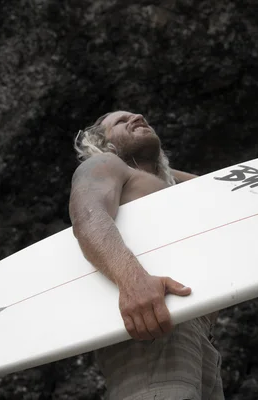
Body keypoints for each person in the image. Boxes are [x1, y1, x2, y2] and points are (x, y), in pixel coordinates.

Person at [69, 111, 224, 400]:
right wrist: (133, 282)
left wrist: (161, 167)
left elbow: (223, 189)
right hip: (149, 312)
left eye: (137, 116)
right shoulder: (105, 163)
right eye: (120, 121)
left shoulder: (162, 189)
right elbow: (87, 217)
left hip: (198, 329)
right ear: (101, 143)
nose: (138, 116)